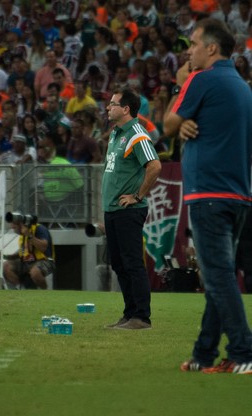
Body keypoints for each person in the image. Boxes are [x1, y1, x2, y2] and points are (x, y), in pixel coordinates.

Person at [163, 18, 252, 373]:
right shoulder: (243, 88)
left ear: (212, 48)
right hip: (238, 195)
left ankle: (244, 351)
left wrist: (181, 107)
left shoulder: (202, 80)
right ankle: (203, 355)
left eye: (195, 44)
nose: (190, 50)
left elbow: (168, 123)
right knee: (220, 275)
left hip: (208, 193)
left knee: (217, 278)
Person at [103, 88, 161, 330]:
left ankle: (141, 316)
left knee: (132, 262)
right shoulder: (116, 133)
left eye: (113, 104)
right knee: (119, 263)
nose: (108, 107)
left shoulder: (137, 134)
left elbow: (155, 166)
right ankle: (129, 314)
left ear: (126, 109)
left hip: (128, 210)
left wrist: (137, 196)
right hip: (113, 209)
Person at [3, 215, 55, 290]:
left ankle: (45, 292)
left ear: (21, 224)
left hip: (45, 260)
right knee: (6, 266)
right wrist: (6, 256)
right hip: (27, 261)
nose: (12, 227)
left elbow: (44, 247)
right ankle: (21, 290)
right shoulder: (22, 235)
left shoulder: (39, 229)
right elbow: (22, 254)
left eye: (14, 226)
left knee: (35, 272)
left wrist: (29, 235)